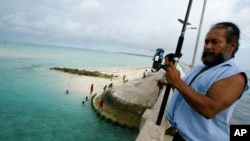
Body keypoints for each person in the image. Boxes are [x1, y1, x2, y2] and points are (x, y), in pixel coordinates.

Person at [165, 22, 249, 141]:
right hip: (180, 135)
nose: (208, 46)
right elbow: (183, 94)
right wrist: (173, 81)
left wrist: (178, 82)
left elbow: (209, 110)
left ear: (231, 46)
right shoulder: (198, 69)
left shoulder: (235, 76)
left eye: (215, 42)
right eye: (206, 42)